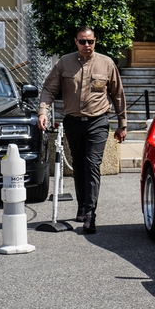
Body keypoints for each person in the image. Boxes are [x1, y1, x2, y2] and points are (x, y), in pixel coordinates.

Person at [37, 26, 127, 234]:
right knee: (78, 165)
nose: (87, 45)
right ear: (75, 42)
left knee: (92, 165)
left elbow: (118, 94)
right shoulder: (64, 63)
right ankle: (82, 206)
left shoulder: (106, 63)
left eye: (91, 41)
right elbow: (50, 88)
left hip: (98, 121)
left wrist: (122, 124)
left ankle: (90, 215)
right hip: (73, 122)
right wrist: (43, 111)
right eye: (83, 41)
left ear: (95, 42)